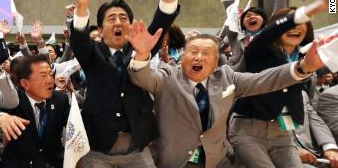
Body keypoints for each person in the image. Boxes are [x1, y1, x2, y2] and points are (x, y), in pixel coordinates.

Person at [125, 21, 325, 168]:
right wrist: (142, 55)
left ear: (216, 62)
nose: (199, 57)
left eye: (206, 54)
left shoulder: (227, 78)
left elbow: (264, 80)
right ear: (183, 55)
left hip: (217, 161)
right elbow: (143, 78)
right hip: (173, 161)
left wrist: (304, 66)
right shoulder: (168, 76)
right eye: (193, 51)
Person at [70, 0, 185, 167]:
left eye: (123, 18)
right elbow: (78, 40)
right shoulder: (91, 53)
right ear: (100, 29)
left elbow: (161, 23)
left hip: (136, 147)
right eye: (111, 18)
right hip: (97, 147)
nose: (118, 22)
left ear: (131, 26)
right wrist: (82, 7)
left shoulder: (141, 48)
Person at [229, 0, 330, 168]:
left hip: (283, 133)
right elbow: (270, 31)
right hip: (248, 130)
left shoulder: (308, 56)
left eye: (302, 24)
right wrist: (310, 9)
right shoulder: (259, 50)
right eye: (291, 23)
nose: (296, 27)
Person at [0, 55, 70, 168]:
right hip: (19, 163)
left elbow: (74, 125)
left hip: (51, 163)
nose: (50, 80)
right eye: (43, 76)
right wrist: (2, 117)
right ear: (25, 83)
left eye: (50, 74)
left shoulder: (60, 99)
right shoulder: (15, 99)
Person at [295, 91, 338, 168]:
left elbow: (315, 120)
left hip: (314, 151)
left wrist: (329, 147)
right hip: (282, 153)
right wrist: (294, 149)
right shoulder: (268, 93)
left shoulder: (302, 93)